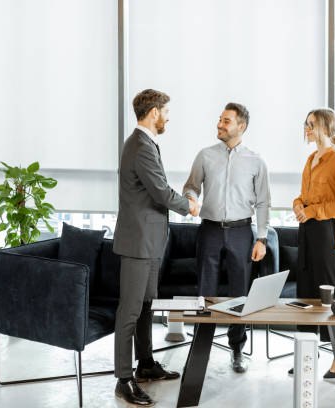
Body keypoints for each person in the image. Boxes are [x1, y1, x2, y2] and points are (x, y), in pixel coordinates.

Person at [113, 89, 200, 407]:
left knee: (146, 305)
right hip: (137, 242)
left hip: (148, 241)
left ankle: (145, 363)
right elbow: (161, 192)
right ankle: (124, 380)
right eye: (165, 111)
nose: (168, 117)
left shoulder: (144, 143)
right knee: (130, 310)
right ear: (153, 113)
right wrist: (188, 206)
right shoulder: (140, 145)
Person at [183, 102, 270, 373]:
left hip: (242, 232)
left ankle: (237, 349)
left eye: (226, 121)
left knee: (239, 293)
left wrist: (262, 238)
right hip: (209, 229)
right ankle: (200, 349)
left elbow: (264, 203)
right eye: (220, 120)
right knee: (204, 292)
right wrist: (191, 199)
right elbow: (191, 187)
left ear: (241, 126)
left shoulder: (256, 161)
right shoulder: (205, 155)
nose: (219, 125)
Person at [291, 108, 335, 378]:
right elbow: (304, 196)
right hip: (306, 231)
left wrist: (314, 211)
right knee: (306, 294)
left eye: (311, 124)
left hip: (327, 231)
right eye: (305, 123)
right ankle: (307, 357)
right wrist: (297, 204)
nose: (306, 128)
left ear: (326, 128)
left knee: (333, 296)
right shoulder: (310, 159)